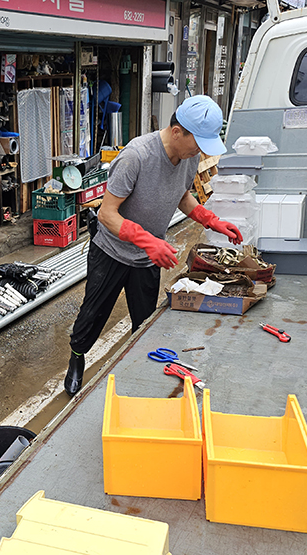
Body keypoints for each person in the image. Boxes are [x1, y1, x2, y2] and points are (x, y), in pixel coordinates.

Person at [64, 95, 243, 396]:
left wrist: (210, 220)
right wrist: (149, 241)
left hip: (147, 258)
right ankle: (77, 358)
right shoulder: (137, 156)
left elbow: (183, 196)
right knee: (92, 316)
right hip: (112, 252)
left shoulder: (189, 158)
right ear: (177, 132)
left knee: (145, 322)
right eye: (197, 142)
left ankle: (139, 372)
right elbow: (107, 214)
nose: (200, 150)